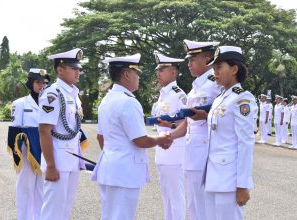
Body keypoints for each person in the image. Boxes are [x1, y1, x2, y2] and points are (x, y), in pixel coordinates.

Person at [91, 54, 173, 220]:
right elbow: (140, 140)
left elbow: (101, 138)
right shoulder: (128, 102)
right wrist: (161, 138)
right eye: (137, 73)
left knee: (109, 216)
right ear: (127, 74)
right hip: (124, 172)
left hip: (109, 168)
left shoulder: (107, 99)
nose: (138, 77)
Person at [164, 39, 221, 220]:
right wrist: (170, 135)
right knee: (193, 204)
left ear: (207, 59)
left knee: (205, 206)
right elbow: (189, 122)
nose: (188, 64)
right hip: (191, 154)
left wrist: (205, 115)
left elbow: (226, 113)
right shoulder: (196, 86)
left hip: (206, 153)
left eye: (193, 60)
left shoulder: (216, 83)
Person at [204, 45, 256, 220]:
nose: (215, 72)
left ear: (234, 69)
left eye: (219, 67)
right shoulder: (220, 98)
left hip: (229, 180)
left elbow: (246, 143)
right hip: (212, 176)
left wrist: (242, 185)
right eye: (214, 67)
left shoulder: (242, 99)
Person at [38, 48, 85, 220]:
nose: (77, 72)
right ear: (60, 70)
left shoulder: (73, 93)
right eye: (74, 68)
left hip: (71, 160)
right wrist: (50, 165)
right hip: (57, 161)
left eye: (78, 69)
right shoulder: (53, 94)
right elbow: (44, 130)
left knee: (65, 209)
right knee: (52, 212)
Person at [10, 68, 50, 220]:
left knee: (42, 188)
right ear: (31, 83)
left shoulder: (50, 103)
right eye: (38, 82)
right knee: (25, 188)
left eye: (44, 83)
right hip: (26, 152)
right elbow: (15, 130)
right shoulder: (20, 103)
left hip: (45, 151)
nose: (41, 86)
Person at [153, 52, 187, 220]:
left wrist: (171, 126)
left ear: (173, 72)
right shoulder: (163, 94)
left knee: (175, 197)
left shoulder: (178, 94)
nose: (158, 73)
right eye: (157, 70)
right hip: (162, 152)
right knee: (166, 197)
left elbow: (188, 122)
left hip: (175, 152)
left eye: (162, 70)